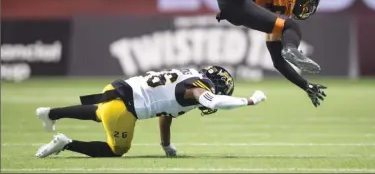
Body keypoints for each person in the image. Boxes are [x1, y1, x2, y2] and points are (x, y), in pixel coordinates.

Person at [35, 66, 266, 158]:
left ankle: (51, 113)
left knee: (100, 112)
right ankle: (65, 143)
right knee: (117, 150)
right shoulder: (198, 87)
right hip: (123, 108)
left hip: (113, 90)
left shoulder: (188, 75)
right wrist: (250, 101)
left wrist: (166, 145)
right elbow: (213, 101)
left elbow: (166, 115)